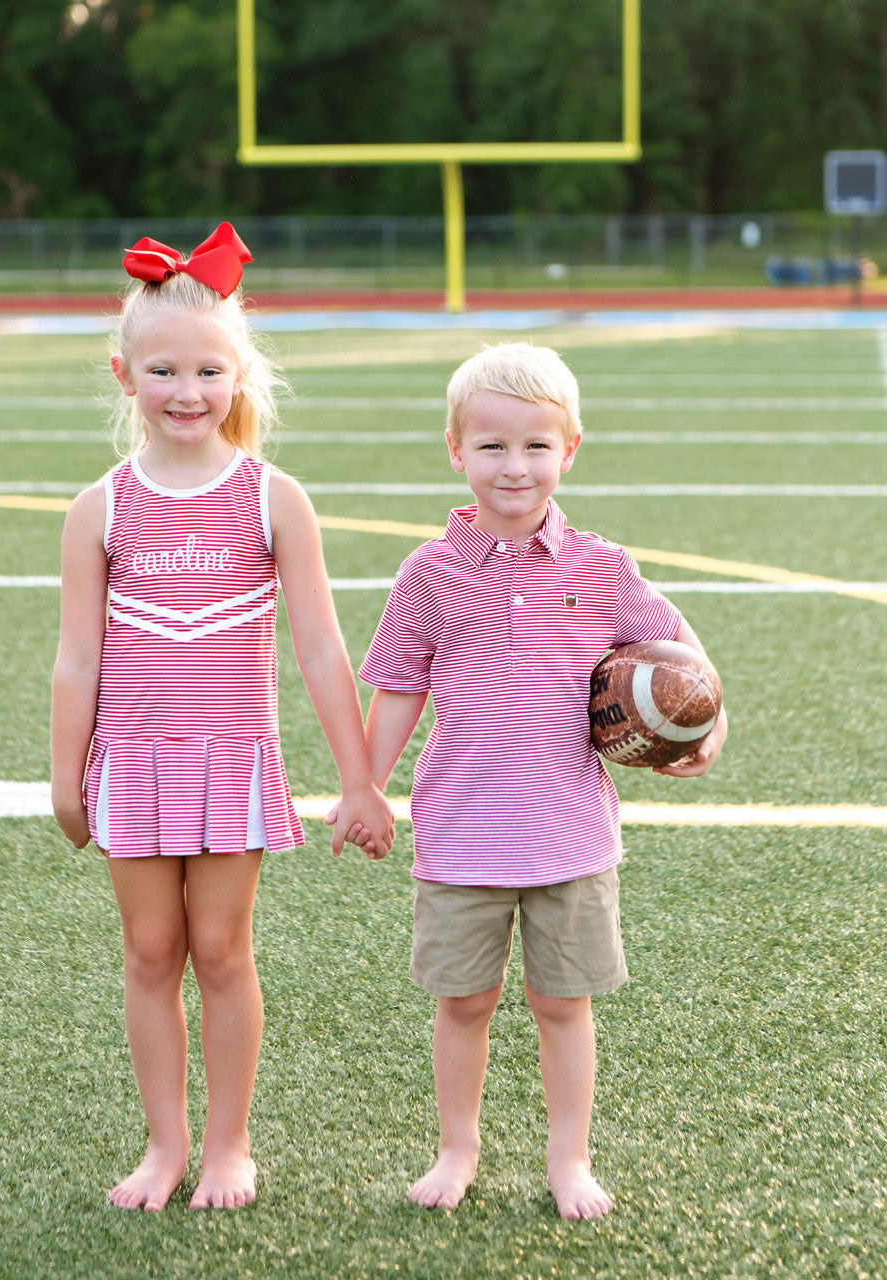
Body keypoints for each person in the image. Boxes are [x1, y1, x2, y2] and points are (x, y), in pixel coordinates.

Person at [50, 223, 394, 1213]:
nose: (186, 390)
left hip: (231, 762)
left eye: (208, 369)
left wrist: (360, 775)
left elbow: (323, 649)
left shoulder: (274, 498)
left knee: (222, 950)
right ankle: (165, 1145)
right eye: (163, 369)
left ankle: (229, 1145)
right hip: (131, 762)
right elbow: (77, 656)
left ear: (241, 375)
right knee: (149, 951)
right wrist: (64, 773)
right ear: (124, 373)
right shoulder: (99, 508)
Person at [358, 342, 727, 1219]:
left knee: (563, 1006)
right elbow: (398, 689)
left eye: (535, 446)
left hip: (571, 835)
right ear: (456, 450)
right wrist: (365, 785)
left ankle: (570, 1160)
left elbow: (685, 658)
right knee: (465, 1005)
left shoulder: (602, 566)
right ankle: (458, 1151)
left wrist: (708, 727)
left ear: (570, 449)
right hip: (461, 835)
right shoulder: (429, 573)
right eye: (491, 446)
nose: (513, 466)